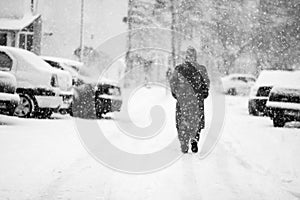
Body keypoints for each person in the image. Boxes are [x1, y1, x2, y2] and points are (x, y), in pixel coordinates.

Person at [170, 47, 210, 153]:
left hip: (183, 100)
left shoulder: (179, 69)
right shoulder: (201, 69)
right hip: (196, 100)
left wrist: (176, 94)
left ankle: (184, 143)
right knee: (196, 121)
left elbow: (173, 83)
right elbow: (206, 84)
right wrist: (203, 94)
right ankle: (194, 140)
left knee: (182, 121)